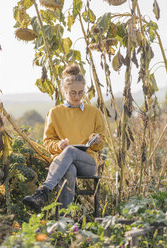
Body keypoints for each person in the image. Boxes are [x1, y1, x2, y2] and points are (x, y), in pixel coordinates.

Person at [23, 64, 106, 212]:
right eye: (73, 92)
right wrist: (58, 145)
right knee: (70, 168)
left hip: (87, 163)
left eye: (81, 93)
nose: (77, 97)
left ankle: (43, 191)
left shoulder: (94, 112)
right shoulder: (54, 113)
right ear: (64, 91)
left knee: (71, 151)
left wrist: (96, 140)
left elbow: (102, 141)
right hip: (63, 162)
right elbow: (48, 142)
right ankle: (65, 218)